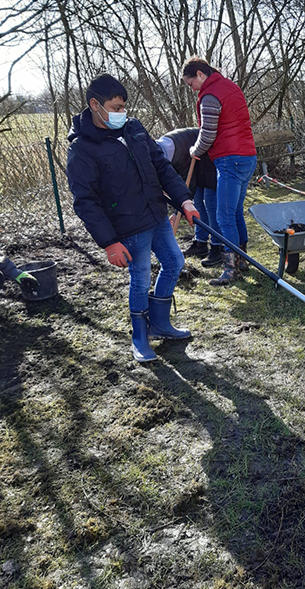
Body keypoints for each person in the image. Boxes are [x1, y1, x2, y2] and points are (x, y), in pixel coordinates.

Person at [66, 73, 200, 362]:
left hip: (156, 213)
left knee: (175, 261)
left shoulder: (134, 129)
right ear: (95, 105)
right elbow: (85, 201)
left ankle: (161, 324)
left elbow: (161, 166)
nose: (121, 113)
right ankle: (140, 337)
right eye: (115, 108)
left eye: (123, 107)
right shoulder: (82, 148)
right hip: (127, 223)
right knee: (140, 278)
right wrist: (109, 243)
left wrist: (184, 200)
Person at [181, 57, 257, 286]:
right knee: (234, 212)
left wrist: (195, 150)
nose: (192, 88)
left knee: (224, 215)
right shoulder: (230, 87)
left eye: (190, 83)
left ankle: (231, 269)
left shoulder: (210, 96)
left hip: (230, 160)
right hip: (248, 157)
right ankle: (242, 260)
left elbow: (207, 134)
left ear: (200, 75)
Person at [155, 127, 223, 267]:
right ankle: (200, 244)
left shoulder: (177, 154)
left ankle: (218, 248)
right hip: (196, 158)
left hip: (210, 156)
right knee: (197, 202)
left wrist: (177, 212)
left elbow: (187, 185)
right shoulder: (159, 150)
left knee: (211, 203)